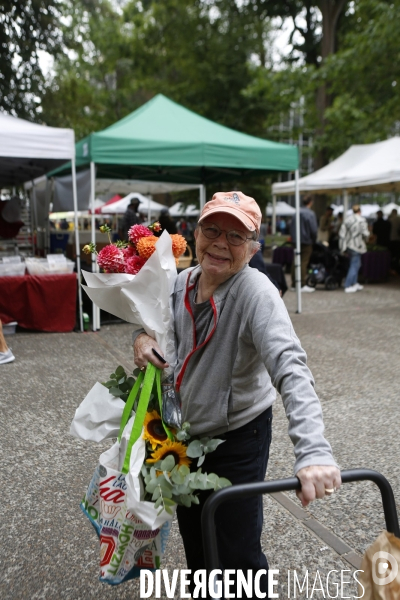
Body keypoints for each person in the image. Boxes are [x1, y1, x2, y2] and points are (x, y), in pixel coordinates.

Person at [133, 191, 340, 598]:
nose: (221, 244)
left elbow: (292, 367)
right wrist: (140, 338)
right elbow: (150, 327)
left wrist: (313, 452)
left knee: (237, 553)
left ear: (253, 248)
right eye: (213, 230)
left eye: (236, 236)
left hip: (237, 436)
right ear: (195, 234)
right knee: (197, 539)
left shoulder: (256, 292)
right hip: (184, 436)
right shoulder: (179, 283)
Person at [290, 195, 318, 292]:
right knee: (303, 262)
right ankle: (301, 283)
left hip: (296, 240)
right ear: (310, 202)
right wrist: (314, 240)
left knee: (295, 261)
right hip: (306, 241)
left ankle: (294, 283)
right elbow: (313, 230)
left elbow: (291, 226)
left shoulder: (296, 212)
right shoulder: (310, 214)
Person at [339, 204, 369, 293]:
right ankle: (348, 285)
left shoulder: (347, 220)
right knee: (354, 265)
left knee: (356, 264)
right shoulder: (362, 220)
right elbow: (366, 234)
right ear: (360, 211)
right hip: (357, 245)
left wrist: (342, 247)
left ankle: (354, 283)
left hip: (348, 245)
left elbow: (342, 233)